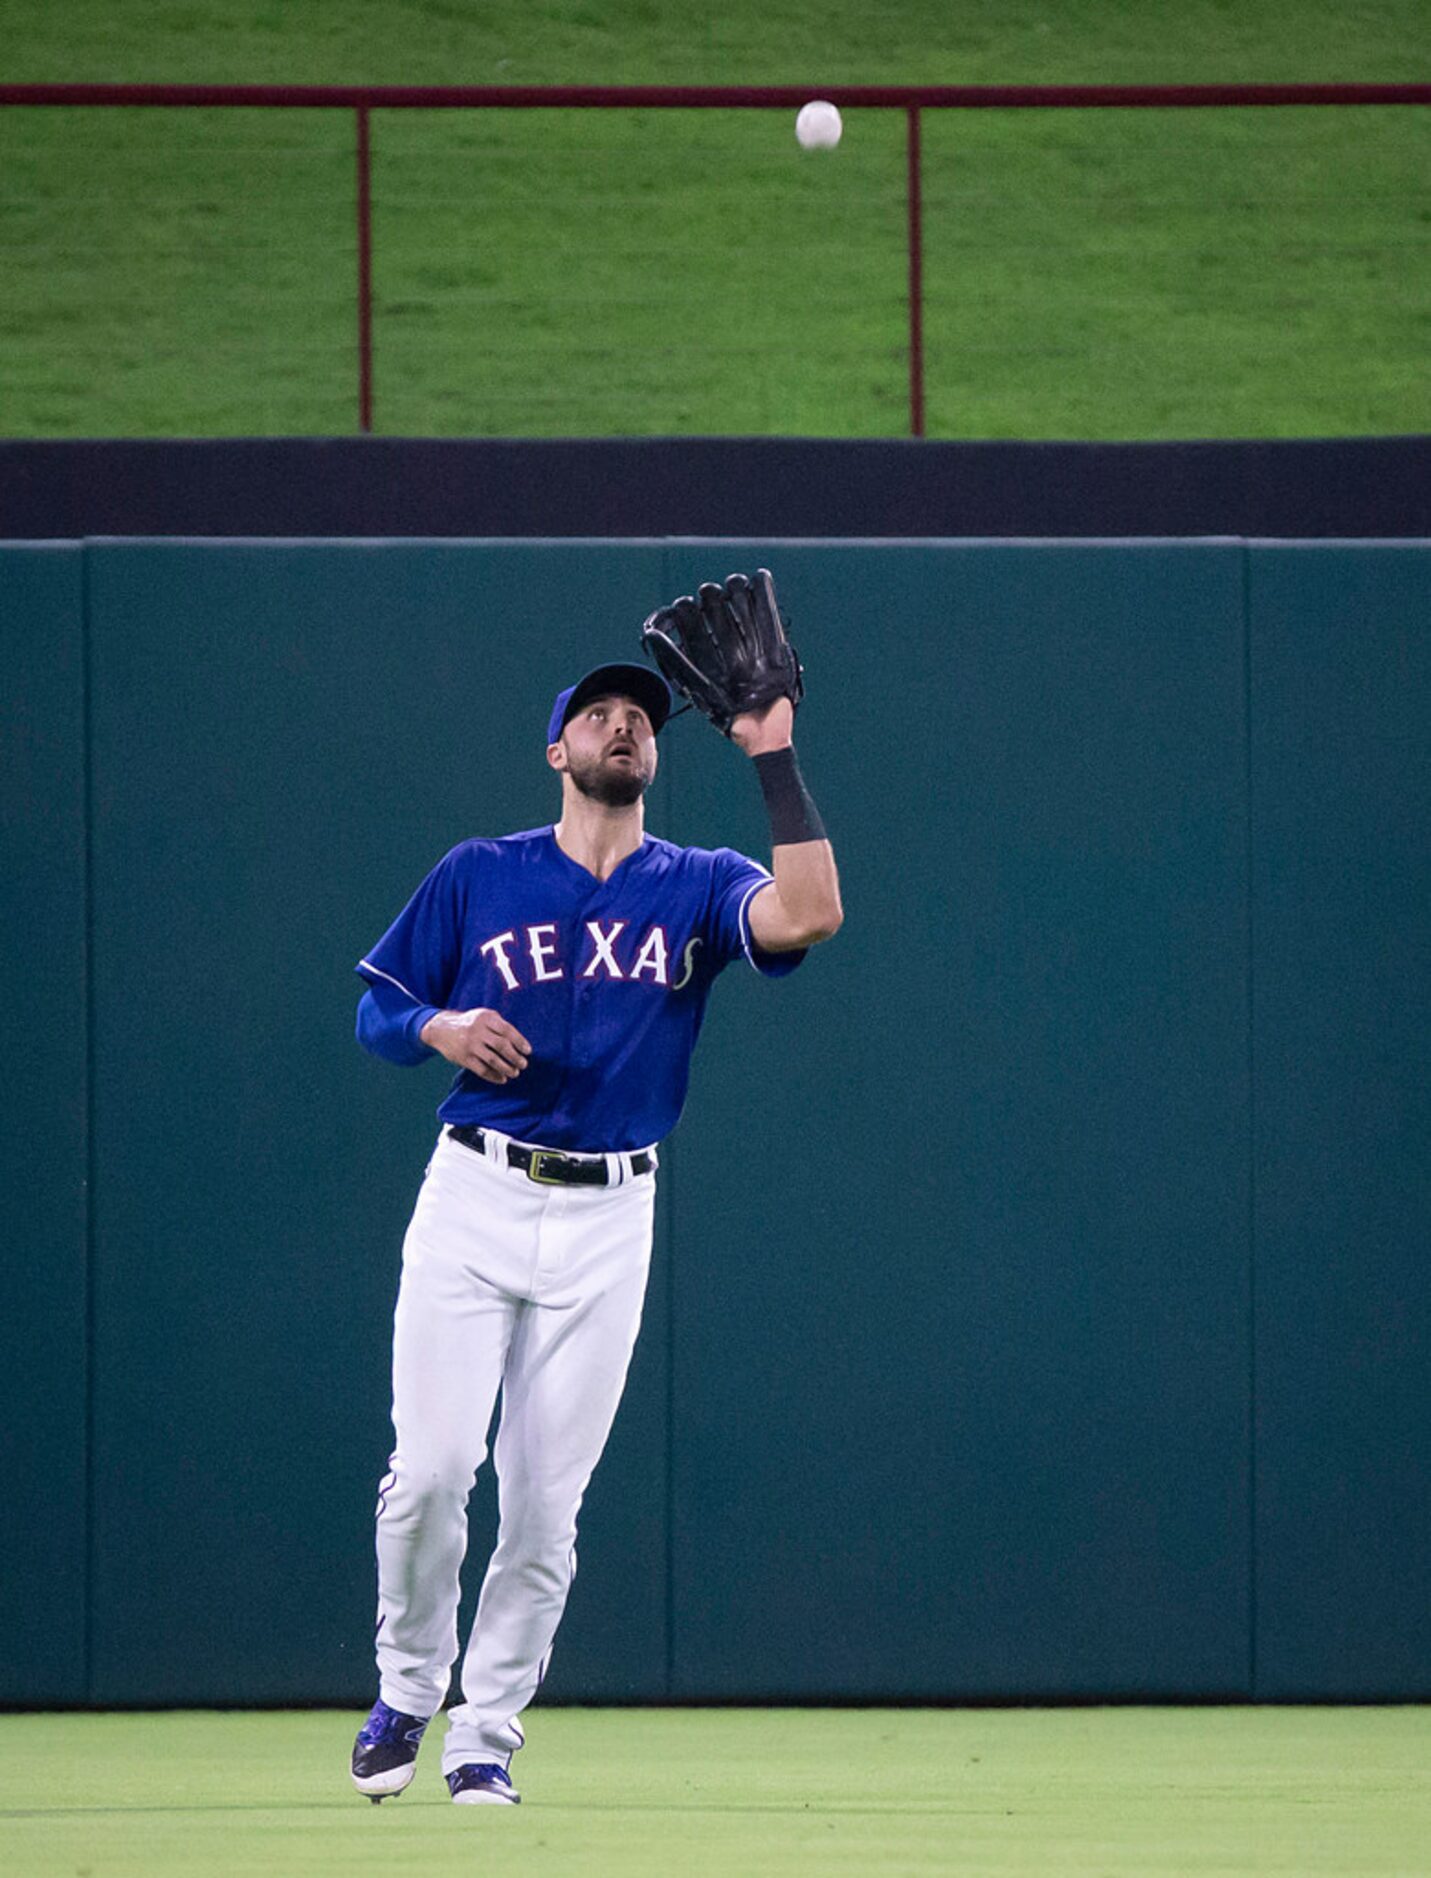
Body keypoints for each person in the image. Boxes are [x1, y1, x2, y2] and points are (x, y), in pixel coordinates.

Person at [348, 659, 842, 1806]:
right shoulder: (481, 874)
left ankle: (486, 1732)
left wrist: (772, 753)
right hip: (474, 1192)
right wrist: (439, 1024)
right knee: (428, 1474)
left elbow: (812, 913)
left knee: (543, 1502)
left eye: (641, 719)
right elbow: (375, 1009)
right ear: (558, 751)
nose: (624, 726)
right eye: (598, 715)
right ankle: (408, 1685)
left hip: (611, 1212)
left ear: (655, 759)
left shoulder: (699, 882)